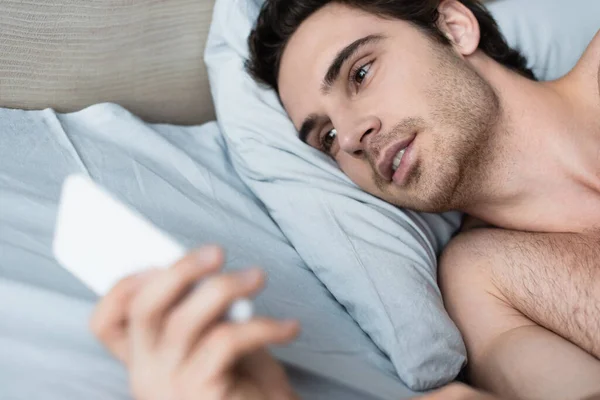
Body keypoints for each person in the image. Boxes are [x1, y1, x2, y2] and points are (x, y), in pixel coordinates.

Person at [91, 0, 600, 399]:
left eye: (360, 73)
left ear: (453, 27)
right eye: (327, 138)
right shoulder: (479, 284)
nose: (354, 136)